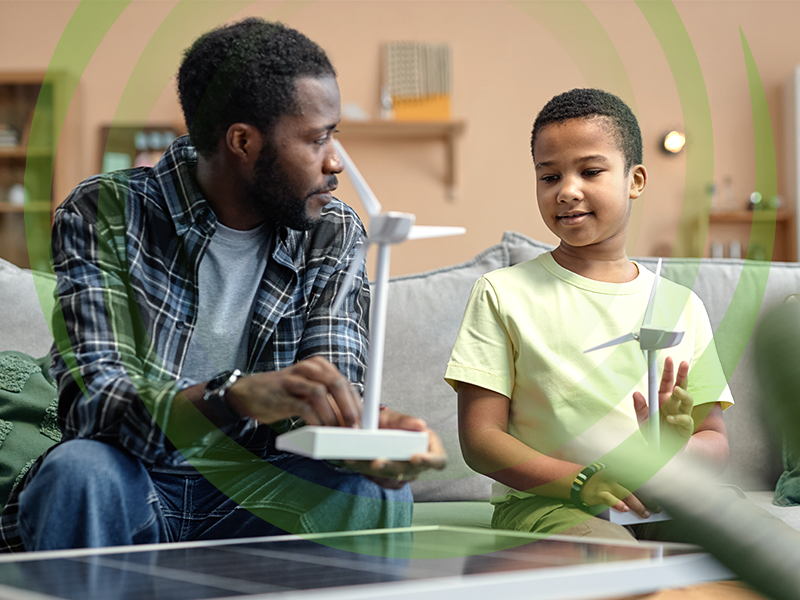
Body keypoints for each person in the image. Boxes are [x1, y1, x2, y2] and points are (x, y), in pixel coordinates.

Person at [0, 18, 445, 552]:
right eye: (317, 138)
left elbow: (331, 386)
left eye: (336, 136)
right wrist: (232, 396)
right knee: (80, 473)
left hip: (260, 486)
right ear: (242, 141)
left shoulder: (332, 230)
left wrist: (368, 435)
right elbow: (94, 405)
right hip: (137, 477)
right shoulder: (106, 213)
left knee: (373, 494)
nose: (334, 162)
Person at [445, 88, 733, 541]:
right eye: (549, 177)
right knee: (615, 561)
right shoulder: (501, 294)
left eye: (591, 171)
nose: (567, 191)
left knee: (767, 556)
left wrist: (675, 455)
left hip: (667, 502)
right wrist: (582, 483)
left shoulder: (681, 305)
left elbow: (714, 440)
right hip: (549, 505)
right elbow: (481, 441)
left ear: (635, 180)